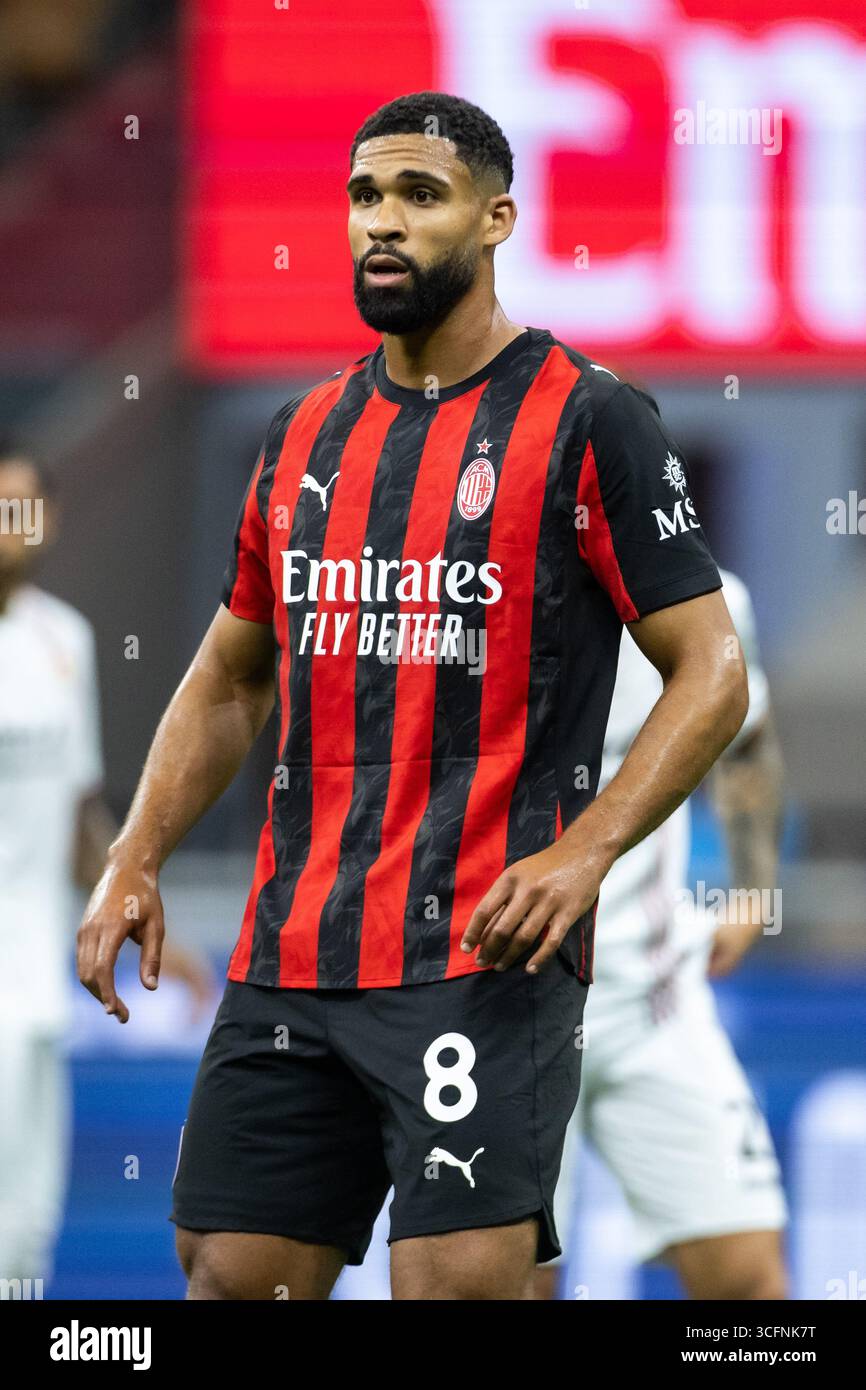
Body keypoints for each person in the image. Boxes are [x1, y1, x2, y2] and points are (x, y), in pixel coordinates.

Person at [77, 91, 748, 1301]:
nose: (381, 223)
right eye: (363, 197)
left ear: (495, 221)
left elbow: (710, 668)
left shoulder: (593, 420)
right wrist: (135, 855)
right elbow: (232, 673)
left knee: (454, 1286)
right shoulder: (301, 436)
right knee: (233, 1277)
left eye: (417, 197)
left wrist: (584, 853)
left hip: (482, 954)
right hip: (294, 948)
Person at [535, 570, 788, 1301]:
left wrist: (755, 891)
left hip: (655, 1000)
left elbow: (748, 739)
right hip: (503, 1006)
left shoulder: (712, 597)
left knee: (747, 1283)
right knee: (504, 1285)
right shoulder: (475, 581)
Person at [0, 445, 210, 1287]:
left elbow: (78, 810)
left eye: (26, 505)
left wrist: (141, 898)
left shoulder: (66, 640)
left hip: (31, 977)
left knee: (23, 1223)